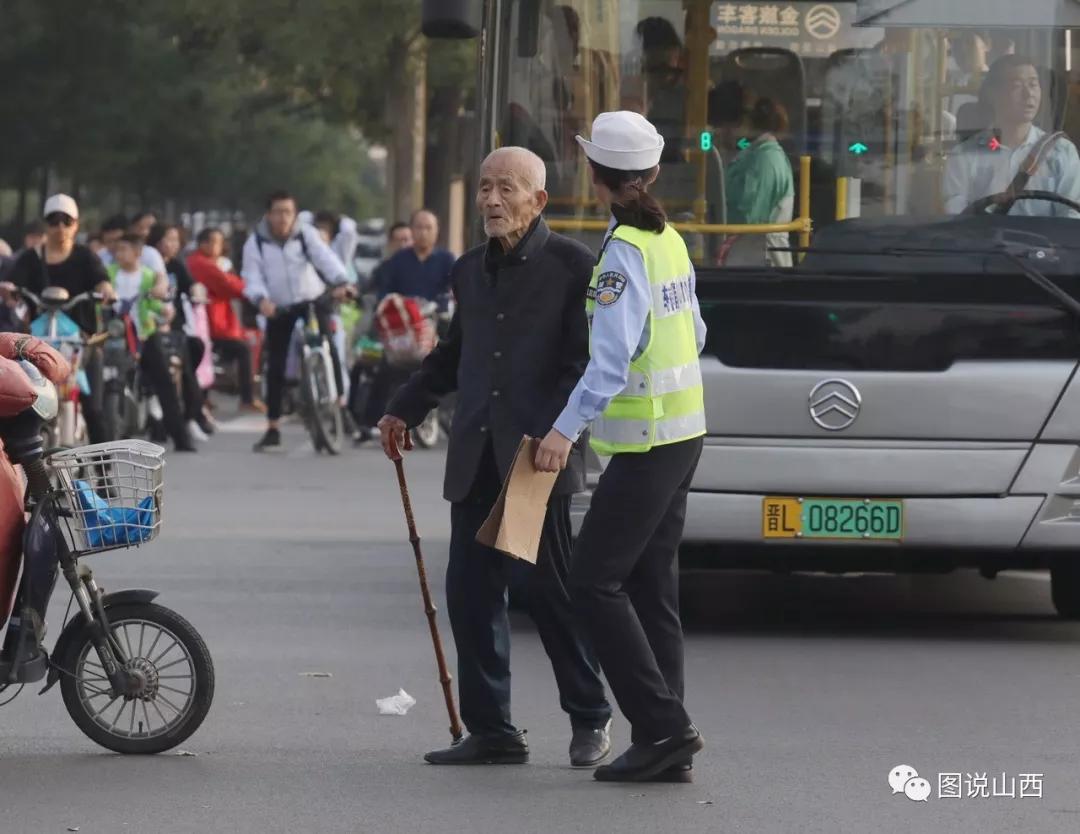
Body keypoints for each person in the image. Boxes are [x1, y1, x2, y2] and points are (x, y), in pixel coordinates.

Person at [378, 146, 613, 768]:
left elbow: (582, 366)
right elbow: (452, 356)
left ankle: (590, 717)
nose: (490, 201)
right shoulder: (468, 270)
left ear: (538, 201)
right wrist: (405, 408)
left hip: (540, 455)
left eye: (506, 189)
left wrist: (555, 432)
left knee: (549, 595)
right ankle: (492, 731)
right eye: (484, 188)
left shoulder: (573, 266)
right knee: (471, 594)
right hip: (477, 453)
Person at [535, 112, 707, 783]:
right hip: (684, 434)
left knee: (593, 583)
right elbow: (695, 334)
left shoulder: (623, 255)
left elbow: (607, 365)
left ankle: (665, 729)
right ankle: (663, 738)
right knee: (648, 585)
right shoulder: (668, 242)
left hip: (646, 443)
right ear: (654, 172)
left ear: (593, 175)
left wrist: (560, 432)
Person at [242, 190, 350, 452]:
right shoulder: (255, 242)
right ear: (269, 214)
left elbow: (326, 260)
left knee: (329, 345)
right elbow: (251, 277)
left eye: (288, 212)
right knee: (275, 364)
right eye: (277, 212)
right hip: (279, 307)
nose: (283, 218)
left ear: (294, 214)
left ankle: (340, 404)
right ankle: (273, 427)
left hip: (311, 300)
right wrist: (261, 299)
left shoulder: (306, 234)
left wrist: (342, 282)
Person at [7, 194, 117, 443]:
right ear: (45, 225)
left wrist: (106, 289)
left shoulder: (86, 256)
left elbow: (102, 280)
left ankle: (104, 476)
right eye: (53, 221)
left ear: (76, 225)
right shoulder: (30, 257)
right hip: (38, 346)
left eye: (67, 221)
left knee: (94, 409)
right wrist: (9, 290)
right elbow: (12, 283)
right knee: (21, 403)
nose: (60, 227)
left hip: (80, 344)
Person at [943, 54, 1080, 217]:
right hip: (983, 240)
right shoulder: (965, 155)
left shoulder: (1061, 151)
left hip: (1044, 242)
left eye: (1033, 84)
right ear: (993, 95)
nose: (1029, 94)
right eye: (1017, 86)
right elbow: (956, 215)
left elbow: (1072, 214)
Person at [108, 233, 197, 452]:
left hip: (145, 335)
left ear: (138, 253)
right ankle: (111, 438)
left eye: (124, 250)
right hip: (117, 336)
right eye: (117, 250)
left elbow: (159, 305)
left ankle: (180, 437)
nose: (119, 255)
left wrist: (165, 310)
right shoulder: (110, 275)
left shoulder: (148, 277)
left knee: (165, 382)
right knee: (112, 386)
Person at [148, 223, 216, 438]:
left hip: (176, 328)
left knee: (194, 351)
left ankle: (191, 416)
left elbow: (192, 286)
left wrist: (197, 290)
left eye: (176, 240)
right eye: (168, 239)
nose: (171, 244)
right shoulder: (147, 265)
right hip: (151, 326)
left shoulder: (178, 266)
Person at [187, 227, 263, 413]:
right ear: (203, 243)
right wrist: (245, 285)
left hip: (215, 321)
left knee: (207, 358)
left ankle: (203, 398)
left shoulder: (211, 263)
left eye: (220, 242)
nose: (217, 246)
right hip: (211, 324)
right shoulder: (201, 264)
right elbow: (230, 286)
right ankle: (246, 398)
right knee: (242, 350)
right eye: (213, 241)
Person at [721, 97, 795, 268]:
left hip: (759, 259)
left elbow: (752, 217)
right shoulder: (759, 156)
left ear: (749, 122)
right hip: (751, 255)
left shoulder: (765, 160)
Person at [375, 210, 455, 301]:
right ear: (411, 230)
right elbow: (385, 292)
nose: (423, 233)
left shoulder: (447, 260)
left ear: (437, 230)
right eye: (419, 227)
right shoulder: (398, 259)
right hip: (405, 312)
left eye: (429, 228)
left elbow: (454, 291)